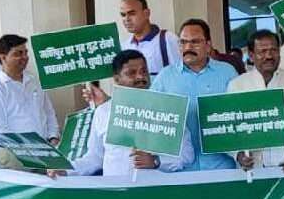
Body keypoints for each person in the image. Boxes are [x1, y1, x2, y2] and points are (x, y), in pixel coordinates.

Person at [52, 50, 193, 178]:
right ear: (117, 78)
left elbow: (187, 155)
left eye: (144, 71)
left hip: (156, 195)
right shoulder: (104, 112)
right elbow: (94, 158)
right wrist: (65, 170)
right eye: (131, 73)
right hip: (116, 196)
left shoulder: (168, 109)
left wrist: (156, 161)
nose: (140, 77)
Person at [151, 18, 238, 171]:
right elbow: (149, 116)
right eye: (183, 42)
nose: (188, 47)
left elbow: (241, 113)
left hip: (221, 167)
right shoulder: (165, 77)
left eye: (195, 42)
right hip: (180, 170)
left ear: (208, 45)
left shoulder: (227, 72)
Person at [228, 30, 284, 173]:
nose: (269, 56)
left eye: (273, 50)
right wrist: (238, 154)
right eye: (262, 51)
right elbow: (227, 130)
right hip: (253, 172)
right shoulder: (237, 86)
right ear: (251, 55)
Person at [0, 35, 59, 167]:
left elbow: (49, 113)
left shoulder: (34, 82)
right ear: (3, 57)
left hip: (45, 153)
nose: (24, 57)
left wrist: (53, 137)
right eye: (18, 53)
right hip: (14, 156)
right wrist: (30, 149)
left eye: (25, 52)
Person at [119, 0, 180, 80]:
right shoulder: (125, 47)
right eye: (123, 15)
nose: (127, 19)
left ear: (146, 13)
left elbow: (182, 76)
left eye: (132, 13)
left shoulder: (168, 40)